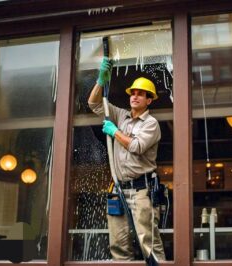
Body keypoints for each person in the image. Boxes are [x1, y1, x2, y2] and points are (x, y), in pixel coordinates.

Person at [88, 57, 166, 261]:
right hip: (118, 189)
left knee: (148, 244)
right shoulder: (121, 115)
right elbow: (94, 103)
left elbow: (136, 146)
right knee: (119, 246)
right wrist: (100, 81)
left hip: (142, 190)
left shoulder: (151, 124)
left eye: (141, 94)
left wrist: (114, 132)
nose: (135, 96)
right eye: (133, 92)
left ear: (149, 100)